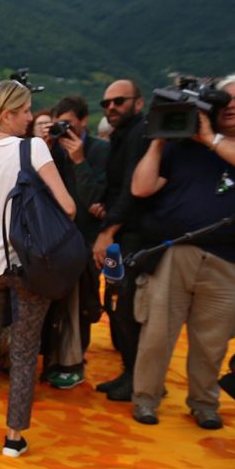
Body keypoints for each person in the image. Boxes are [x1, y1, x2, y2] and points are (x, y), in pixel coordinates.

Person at [127, 69, 235, 427]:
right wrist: (160, 136)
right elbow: (141, 188)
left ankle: (204, 402)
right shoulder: (182, 146)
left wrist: (211, 139)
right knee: (156, 332)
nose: (230, 105)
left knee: (212, 340)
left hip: (233, 258)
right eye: (224, 98)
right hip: (177, 250)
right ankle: (145, 398)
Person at [0, 79, 76, 457]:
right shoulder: (33, 148)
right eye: (25, 112)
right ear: (7, 114)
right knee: (24, 351)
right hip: (29, 266)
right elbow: (68, 207)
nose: (30, 118)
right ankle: (14, 437)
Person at [39, 95, 111, 389]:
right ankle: (51, 359)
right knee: (53, 304)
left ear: (84, 121)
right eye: (59, 125)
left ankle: (73, 361)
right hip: (54, 240)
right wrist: (45, 149)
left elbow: (96, 199)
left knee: (80, 305)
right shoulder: (51, 151)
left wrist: (79, 161)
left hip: (86, 238)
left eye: (69, 124)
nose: (64, 130)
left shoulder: (100, 151)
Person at [90, 80, 152, 401]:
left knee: (130, 308)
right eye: (106, 103)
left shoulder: (141, 134)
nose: (111, 107)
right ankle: (130, 372)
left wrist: (108, 231)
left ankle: (140, 379)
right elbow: (115, 187)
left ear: (138, 103)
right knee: (119, 306)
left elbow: (132, 190)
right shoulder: (121, 136)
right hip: (121, 233)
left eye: (118, 101)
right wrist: (103, 204)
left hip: (133, 237)